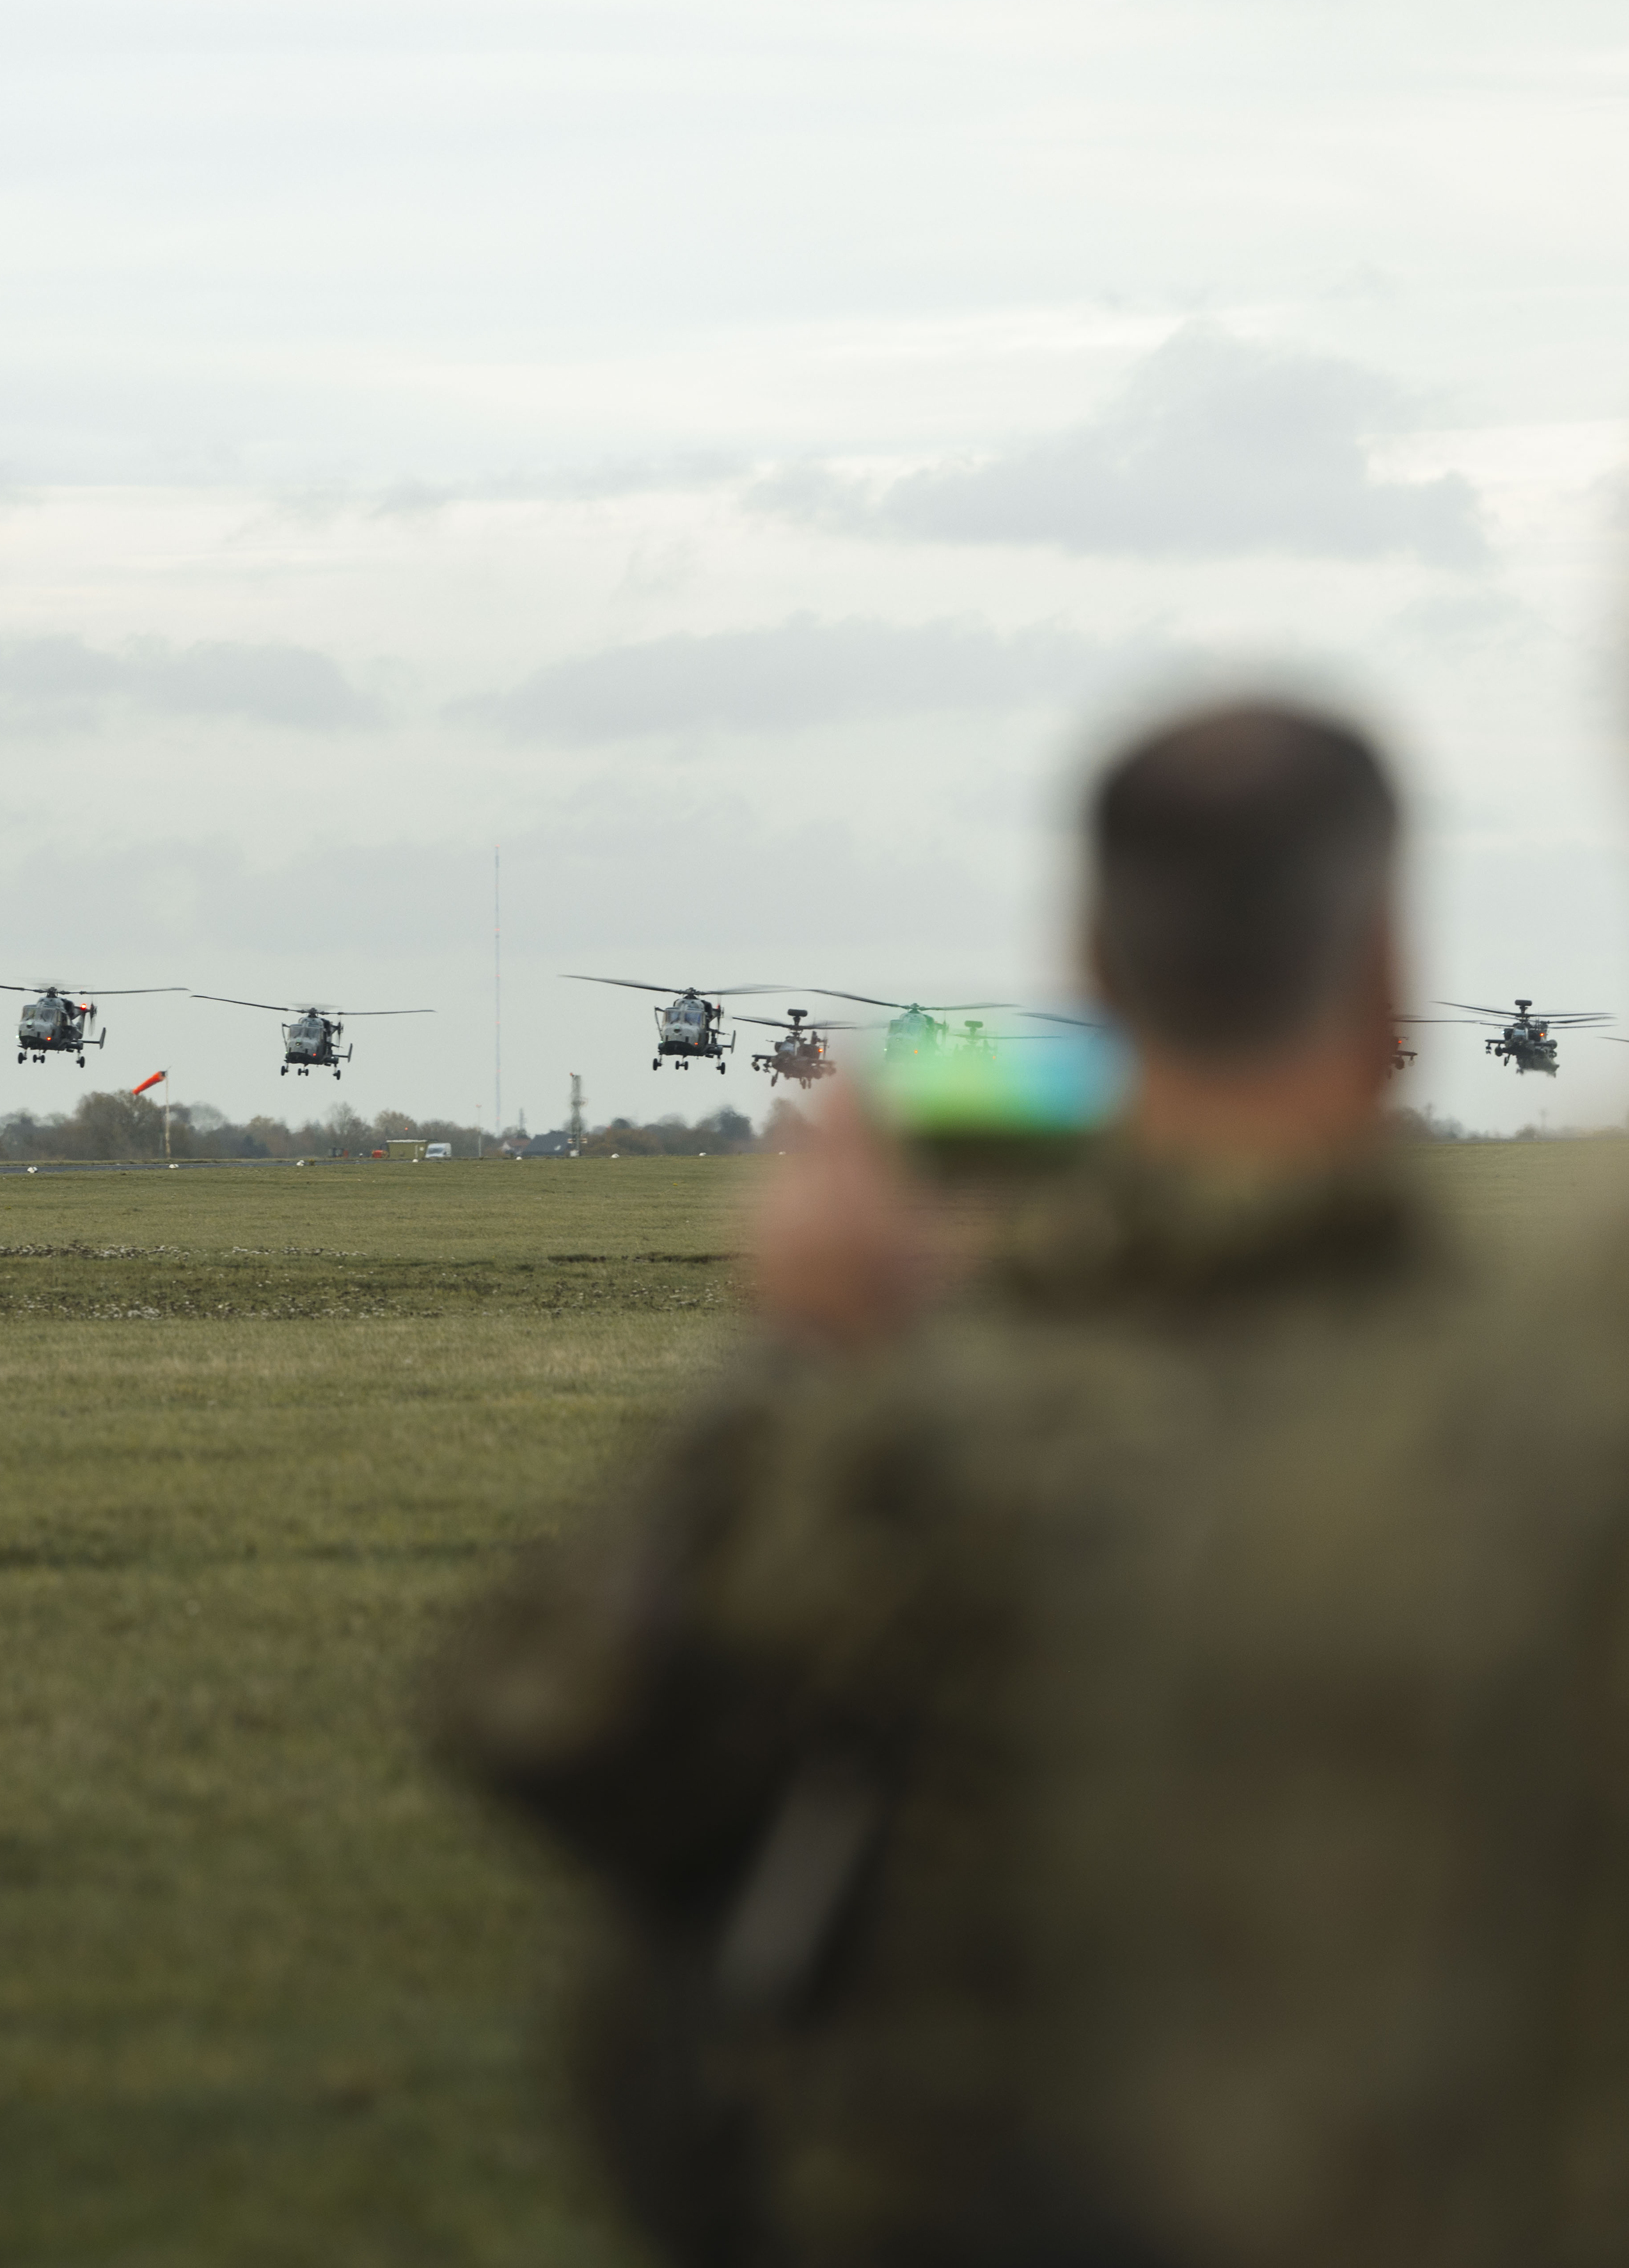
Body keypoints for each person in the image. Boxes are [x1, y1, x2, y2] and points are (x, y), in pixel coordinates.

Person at [424, 699, 1608, 2266]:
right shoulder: (1553, 1379)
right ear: (1386, 960)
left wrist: (811, 1350)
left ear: (1095, 967)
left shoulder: (925, 1415)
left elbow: (552, 1730)